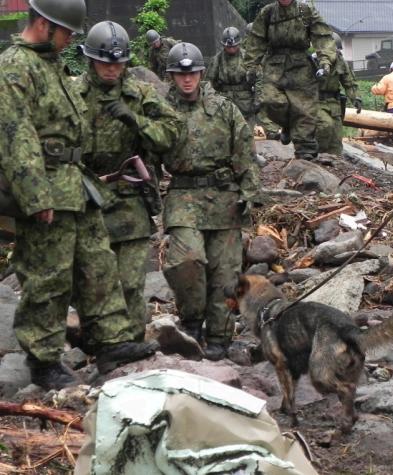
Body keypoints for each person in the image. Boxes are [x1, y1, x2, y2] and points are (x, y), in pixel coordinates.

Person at [0, 0, 159, 389]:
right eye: (66, 32)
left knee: (97, 263)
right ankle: (43, 360)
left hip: (75, 183)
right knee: (48, 275)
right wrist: (35, 196)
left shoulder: (51, 64)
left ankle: (110, 342)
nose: (70, 40)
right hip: (46, 187)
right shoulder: (15, 67)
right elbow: (15, 136)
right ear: (43, 24)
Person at [76, 21, 182, 337]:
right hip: (85, 195)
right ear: (91, 59)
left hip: (129, 195)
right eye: (105, 63)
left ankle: (133, 339)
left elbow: (172, 134)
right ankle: (102, 342)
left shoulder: (140, 94)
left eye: (119, 64)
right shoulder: (73, 94)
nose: (112, 70)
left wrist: (135, 120)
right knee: (92, 280)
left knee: (132, 280)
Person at [162, 42, 261, 361]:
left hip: (224, 197)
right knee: (187, 261)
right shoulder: (162, 110)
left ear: (202, 73)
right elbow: (147, 150)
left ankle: (219, 336)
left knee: (226, 273)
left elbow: (246, 151)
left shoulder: (223, 108)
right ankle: (191, 322)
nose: (187, 79)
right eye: (180, 73)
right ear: (172, 76)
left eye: (192, 72)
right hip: (183, 196)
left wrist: (248, 191)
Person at [243, 0, 336, 160]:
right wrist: (251, 65)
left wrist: (325, 60)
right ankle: (287, 125)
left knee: (304, 109)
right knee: (269, 100)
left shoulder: (305, 10)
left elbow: (322, 36)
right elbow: (256, 40)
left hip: (301, 65)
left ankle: (305, 151)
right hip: (274, 65)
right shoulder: (268, 13)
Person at [315, 32, 361, 156]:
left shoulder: (341, 62)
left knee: (336, 134)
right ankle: (317, 156)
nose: (336, 53)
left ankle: (334, 161)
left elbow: (349, 82)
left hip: (334, 103)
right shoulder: (313, 61)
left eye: (337, 50)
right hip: (316, 103)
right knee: (325, 126)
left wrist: (356, 98)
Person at [206, 27, 258, 130]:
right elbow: (208, 82)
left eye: (234, 46)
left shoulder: (247, 57)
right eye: (228, 46)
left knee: (245, 135)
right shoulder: (217, 59)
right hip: (224, 102)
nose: (231, 48)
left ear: (239, 43)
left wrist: (258, 100)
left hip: (245, 103)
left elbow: (259, 79)